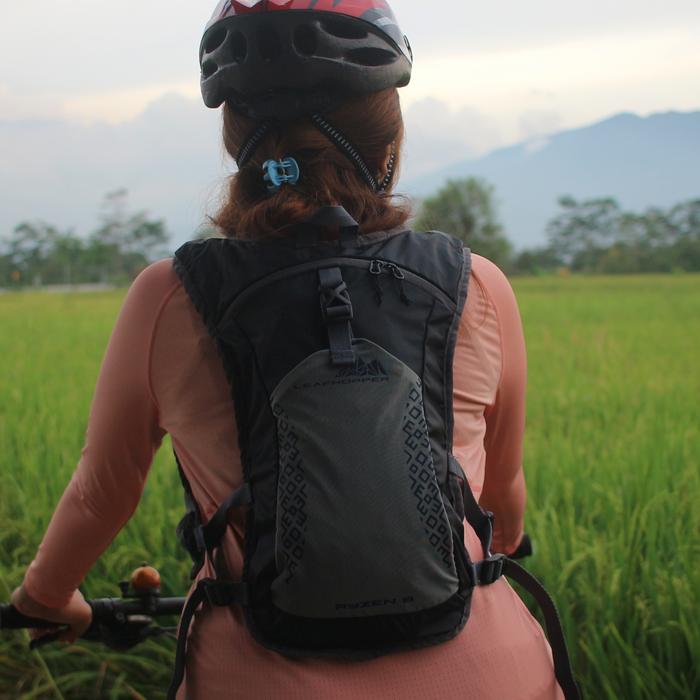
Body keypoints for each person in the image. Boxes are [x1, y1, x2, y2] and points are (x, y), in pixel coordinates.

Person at [12, 1, 566, 698]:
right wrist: (500, 549)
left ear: (237, 142)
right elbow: (500, 496)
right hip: (491, 673)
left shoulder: (169, 295)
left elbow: (103, 491)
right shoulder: (475, 284)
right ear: (387, 145)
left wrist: (47, 596)